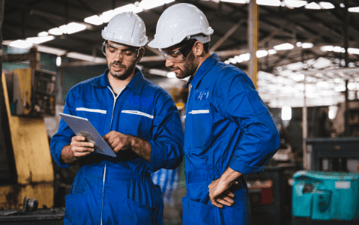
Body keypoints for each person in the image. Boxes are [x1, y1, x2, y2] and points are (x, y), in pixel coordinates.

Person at [149, 3, 280, 225]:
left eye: (174, 53)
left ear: (198, 48)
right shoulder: (196, 87)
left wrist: (226, 179)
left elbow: (264, 133)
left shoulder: (226, 80)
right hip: (198, 201)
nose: (168, 62)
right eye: (165, 54)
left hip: (221, 204)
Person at [50, 12, 183, 225]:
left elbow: (173, 153)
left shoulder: (158, 99)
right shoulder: (80, 94)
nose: (117, 58)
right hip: (85, 196)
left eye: (126, 52)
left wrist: (133, 142)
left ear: (139, 54)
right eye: (111, 50)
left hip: (132, 200)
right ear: (105, 48)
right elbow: (58, 144)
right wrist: (70, 151)